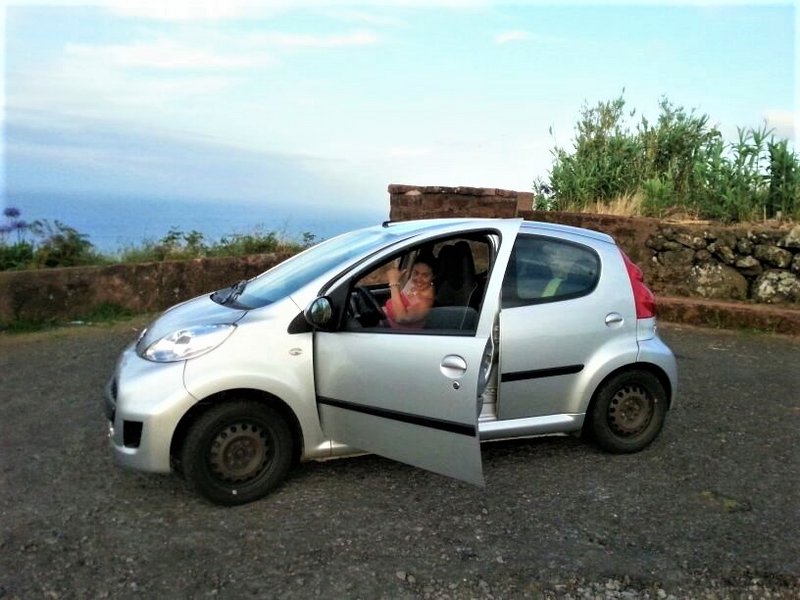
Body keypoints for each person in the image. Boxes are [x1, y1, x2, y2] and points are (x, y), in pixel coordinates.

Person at [383, 254, 435, 329]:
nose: (418, 279)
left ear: (433, 277)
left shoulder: (425, 301)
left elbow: (401, 318)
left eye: (425, 275)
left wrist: (393, 283)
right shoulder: (414, 287)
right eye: (416, 273)